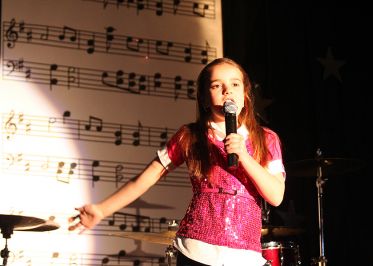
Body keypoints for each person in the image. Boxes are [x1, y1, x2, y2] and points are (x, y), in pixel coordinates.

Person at [68, 57, 286, 266]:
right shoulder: (189, 136)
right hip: (197, 250)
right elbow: (145, 179)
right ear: (203, 97)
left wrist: (244, 157)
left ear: (246, 94)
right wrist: (102, 210)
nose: (227, 90)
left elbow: (276, 196)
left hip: (245, 256)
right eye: (216, 85)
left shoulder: (266, 138)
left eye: (235, 84)